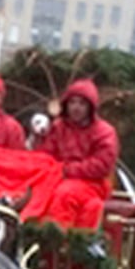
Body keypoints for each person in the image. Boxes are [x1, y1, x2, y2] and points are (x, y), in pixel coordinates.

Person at [35, 77, 119, 229]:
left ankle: (56, 240)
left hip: (93, 183)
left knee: (65, 195)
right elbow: (46, 154)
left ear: (90, 107)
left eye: (82, 103)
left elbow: (101, 166)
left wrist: (67, 170)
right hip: (57, 177)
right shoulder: (58, 127)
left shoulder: (105, 132)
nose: (76, 108)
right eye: (72, 102)